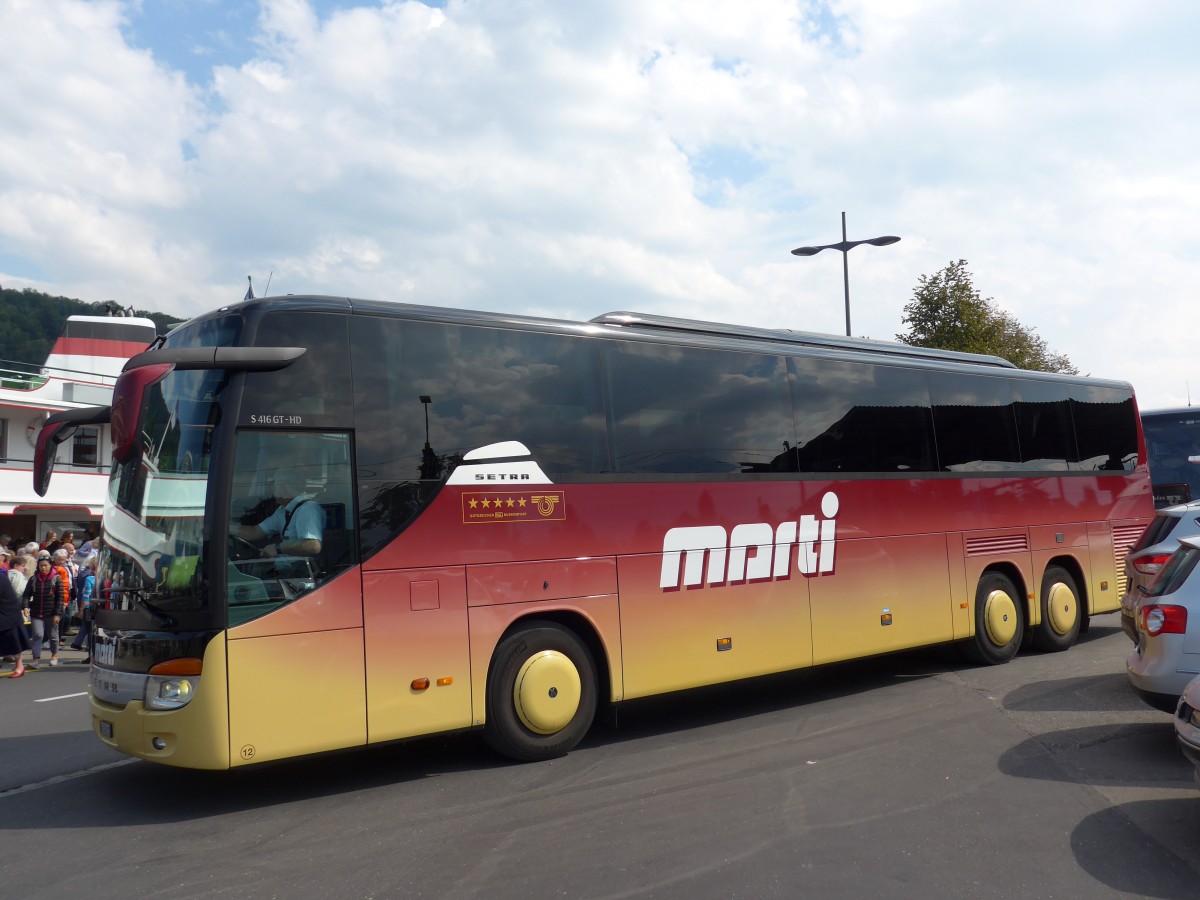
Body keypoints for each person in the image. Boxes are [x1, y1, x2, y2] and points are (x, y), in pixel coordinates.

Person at [236, 468, 325, 561]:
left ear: (284, 487)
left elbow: (313, 545)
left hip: (302, 572)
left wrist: (277, 548)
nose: (273, 492)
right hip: (285, 570)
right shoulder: (282, 511)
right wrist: (228, 528)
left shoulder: (307, 509)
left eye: (274, 487)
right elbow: (255, 532)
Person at [23, 554, 63, 668]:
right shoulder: (33, 579)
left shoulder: (56, 578)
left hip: (51, 612)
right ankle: (36, 660)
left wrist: (57, 614)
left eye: (45, 565)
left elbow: (60, 598)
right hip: (36, 612)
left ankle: (54, 655)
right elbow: (26, 595)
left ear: (50, 565)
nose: (43, 568)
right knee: (37, 635)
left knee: (53, 636)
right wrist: (25, 606)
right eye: (41, 566)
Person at [0, 570, 30, 677]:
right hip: (5, 616)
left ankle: (20, 666)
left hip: (8, 616)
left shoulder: (1, 578)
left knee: (14, 643)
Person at [69, 556, 97, 662]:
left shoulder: (89, 579)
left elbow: (86, 596)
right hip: (103, 608)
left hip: (90, 609)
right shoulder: (105, 580)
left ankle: (91, 655)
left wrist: (81, 610)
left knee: (91, 633)